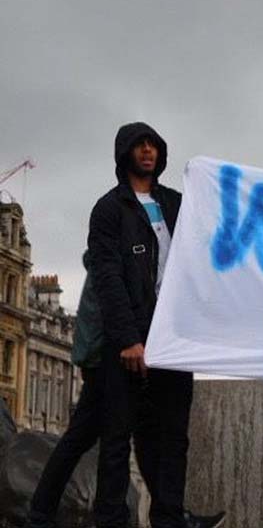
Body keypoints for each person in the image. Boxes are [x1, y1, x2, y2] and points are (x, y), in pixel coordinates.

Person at [24, 254, 225, 528]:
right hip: (108, 363)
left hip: (123, 362)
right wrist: (94, 363)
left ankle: (172, 515)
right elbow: (96, 318)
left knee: (142, 439)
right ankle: (40, 515)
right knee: (82, 439)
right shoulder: (110, 260)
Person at [88, 123, 194, 528]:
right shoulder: (110, 208)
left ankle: (169, 518)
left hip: (175, 338)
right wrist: (129, 338)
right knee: (116, 438)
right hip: (129, 341)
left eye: (153, 145)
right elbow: (107, 275)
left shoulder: (179, 203)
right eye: (140, 145)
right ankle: (111, 519)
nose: (148, 151)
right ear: (125, 153)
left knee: (173, 437)